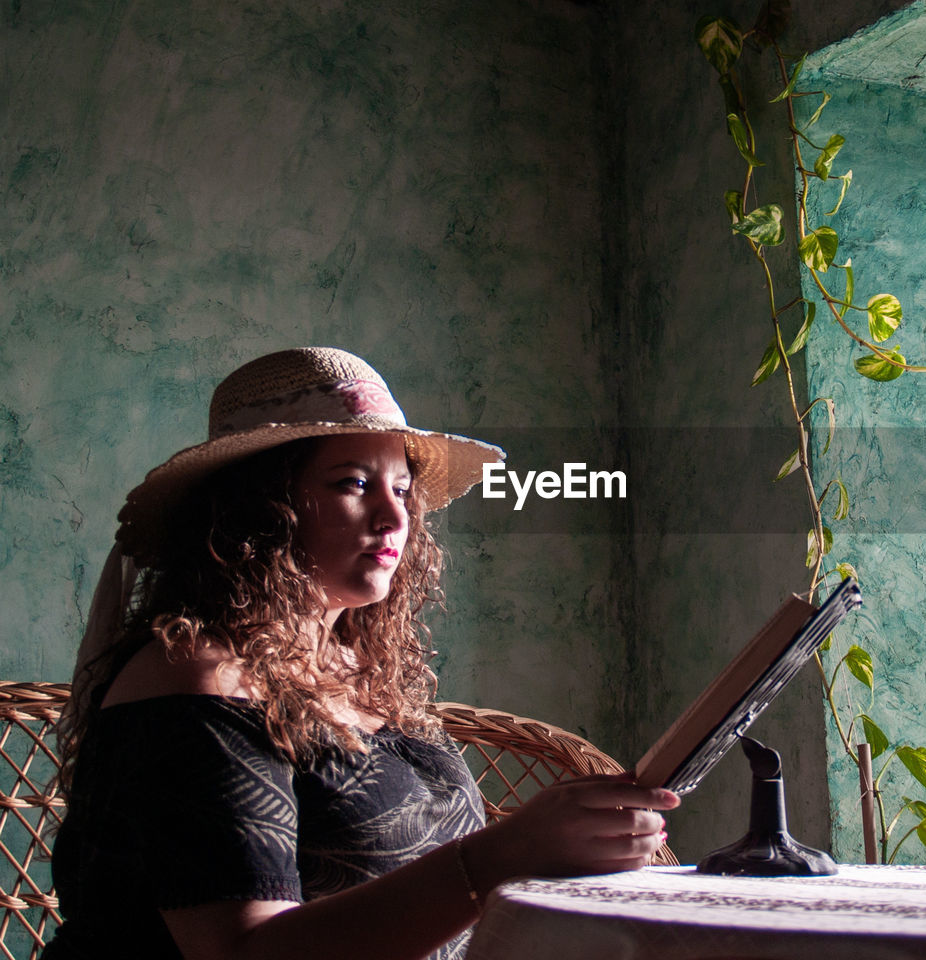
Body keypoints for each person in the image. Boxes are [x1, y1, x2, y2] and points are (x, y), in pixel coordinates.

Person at [43, 347, 679, 960]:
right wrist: (504, 855)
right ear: (258, 511)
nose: (394, 516)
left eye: (403, 490)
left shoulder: (357, 672)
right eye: (353, 483)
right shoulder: (196, 680)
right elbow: (245, 953)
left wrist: (563, 847)